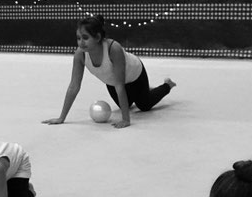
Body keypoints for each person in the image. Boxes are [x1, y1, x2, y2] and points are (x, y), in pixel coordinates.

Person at [42, 15, 176, 128]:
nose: (81, 43)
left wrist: (126, 120)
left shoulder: (113, 49)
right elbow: (74, 86)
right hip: (113, 81)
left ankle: (167, 85)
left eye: (85, 38)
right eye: (78, 38)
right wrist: (61, 118)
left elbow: (120, 85)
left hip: (134, 75)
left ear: (98, 37)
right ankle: (144, 90)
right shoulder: (80, 54)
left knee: (144, 105)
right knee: (126, 104)